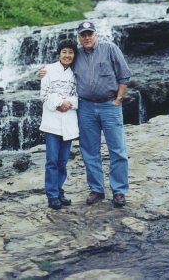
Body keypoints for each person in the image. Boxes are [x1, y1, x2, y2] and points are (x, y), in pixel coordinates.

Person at [41, 21, 131, 207]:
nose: (87, 37)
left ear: (96, 34)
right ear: (79, 38)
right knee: (89, 151)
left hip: (109, 105)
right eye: (83, 35)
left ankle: (119, 191)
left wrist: (119, 99)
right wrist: (44, 71)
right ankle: (97, 189)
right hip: (86, 108)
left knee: (117, 150)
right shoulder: (76, 55)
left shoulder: (110, 48)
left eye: (90, 33)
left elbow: (124, 75)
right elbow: (59, 70)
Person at [39, 38, 79, 210]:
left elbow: (79, 96)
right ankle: (52, 195)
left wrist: (69, 103)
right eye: (64, 52)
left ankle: (60, 190)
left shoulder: (76, 73)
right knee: (52, 161)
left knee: (62, 161)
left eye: (71, 52)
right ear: (59, 53)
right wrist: (58, 103)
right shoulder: (48, 70)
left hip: (68, 121)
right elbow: (43, 94)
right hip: (52, 122)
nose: (67, 55)